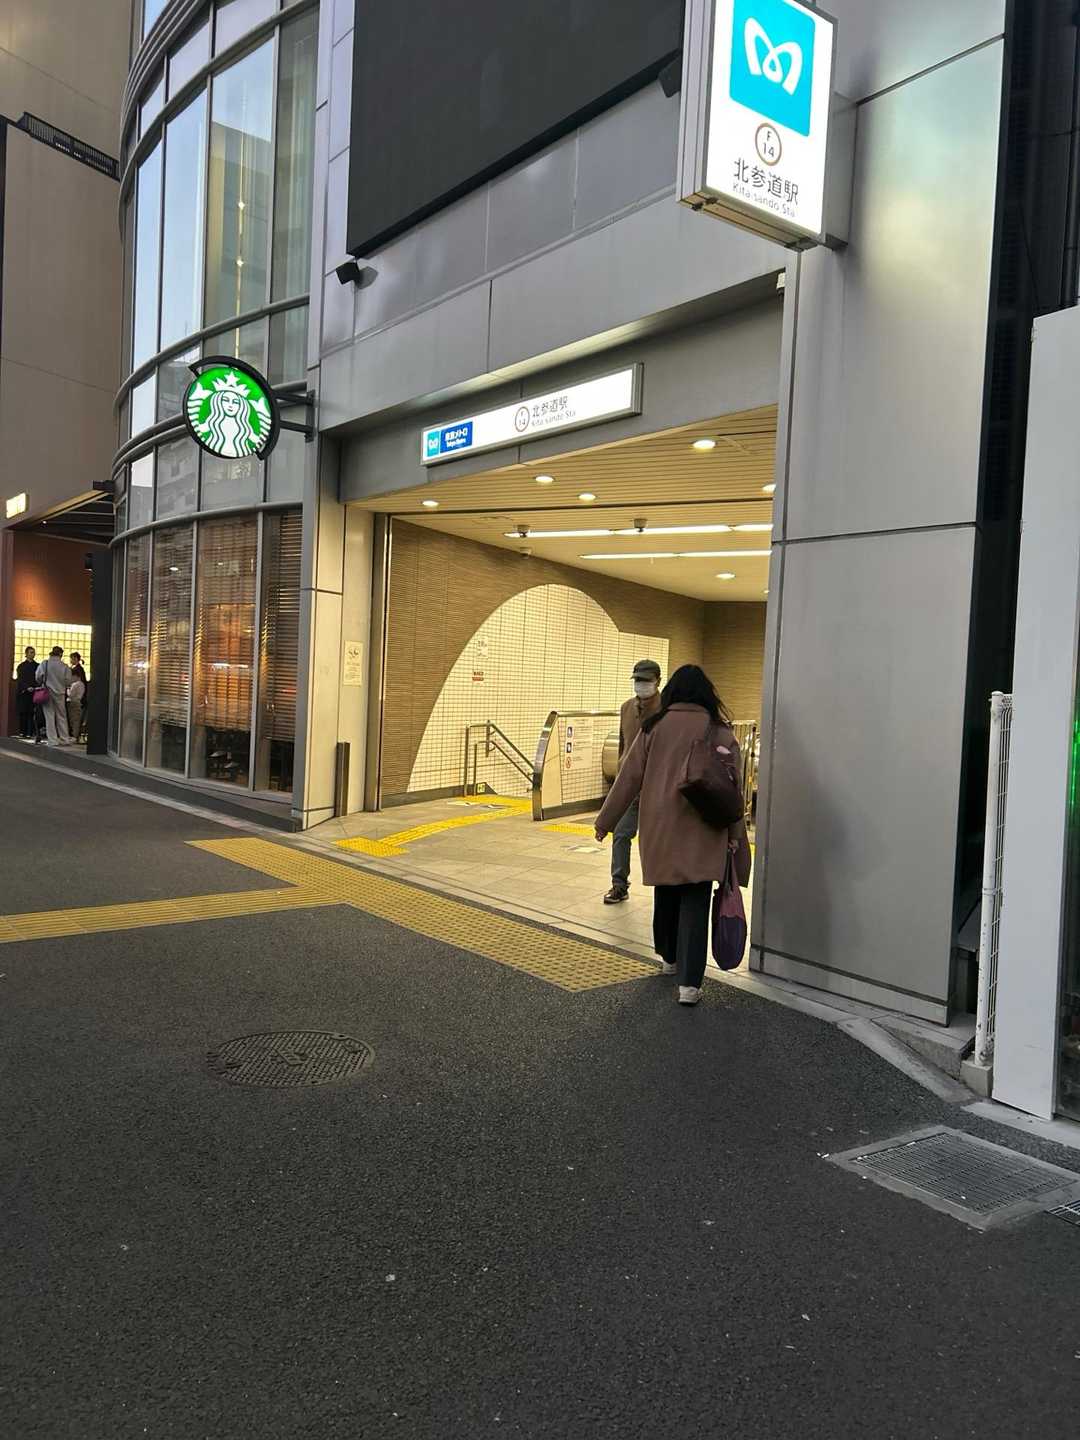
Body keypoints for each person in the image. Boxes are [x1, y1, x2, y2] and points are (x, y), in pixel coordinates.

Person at [595, 664, 751, 1006]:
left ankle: (669, 958)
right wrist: (735, 835)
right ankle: (689, 986)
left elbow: (628, 778)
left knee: (666, 891)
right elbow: (733, 791)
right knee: (695, 899)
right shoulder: (719, 731)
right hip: (705, 830)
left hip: (660, 827)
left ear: (672, 692)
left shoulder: (655, 726)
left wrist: (605, 821)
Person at [604, 659, 662, 903]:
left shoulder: (667, 710)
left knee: (658, 838)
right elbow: (623, 744)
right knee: (621, 833)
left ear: (658, 681)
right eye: (637, 680)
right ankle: (619, 884)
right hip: (629, 784)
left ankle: (663, 885)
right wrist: (620, 774)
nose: (641, 685)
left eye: (646, 680)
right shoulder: (626, 708)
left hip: (657, 785)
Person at [35, 646, 73, 747]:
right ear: (61, 654)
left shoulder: (45, 664)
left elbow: (38, 676)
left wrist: (43, 682)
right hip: (60, 693)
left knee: (49, 716)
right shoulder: (65, 666)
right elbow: (68, 681)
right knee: (62, 716)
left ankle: (52, 740)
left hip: (47, 692)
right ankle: (64, 738)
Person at [15, 645, 39, 740]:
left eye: (34, 652)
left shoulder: (37, 666)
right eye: (31, 652)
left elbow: (39, 678)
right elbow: (20, 679)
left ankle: (30, 732)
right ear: (26, 654)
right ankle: (22, 732)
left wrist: (34, 687)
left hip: (34, 692)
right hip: (23, 692)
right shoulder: (21, 666)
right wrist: (27, 687)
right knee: (23, 712)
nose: (33, 654)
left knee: (32, 713)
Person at [67, 652, 87, 744]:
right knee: (76, 718)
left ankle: (75, 736)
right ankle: (75, 735)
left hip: (76, 700)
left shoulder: (78, 670)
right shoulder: (78, 669)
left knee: (75, 719)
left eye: (71, 658)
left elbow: (71, 694)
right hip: (78, 699)